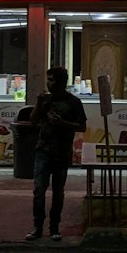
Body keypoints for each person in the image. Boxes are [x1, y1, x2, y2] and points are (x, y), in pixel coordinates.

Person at [25, 66, 88, 241]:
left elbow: (81, 126)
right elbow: (33, 121)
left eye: (52, 80)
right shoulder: (46, 101)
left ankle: (54, 227)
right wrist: (38, 104)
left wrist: (62, 123)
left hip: (61, 152)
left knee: (58, 192)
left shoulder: (73, 102)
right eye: (48, 80)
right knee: (38, 190)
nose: (48, 83)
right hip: (42, 151)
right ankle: (37, 226)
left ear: (61, 82)